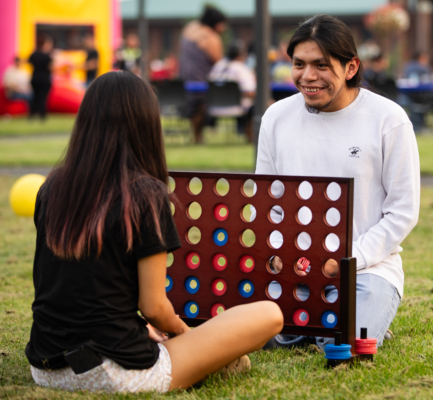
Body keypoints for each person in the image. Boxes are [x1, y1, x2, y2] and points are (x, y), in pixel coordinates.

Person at [25, 71, 283, 393]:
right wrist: (187, 335)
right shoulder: (145, 194)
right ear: (146, 124)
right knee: (270, 314)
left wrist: (137, 325)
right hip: (114, 373)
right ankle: (212, 359)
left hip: (46, 366)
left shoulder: (53, 187)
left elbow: (61, 288)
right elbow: (154, 306)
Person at [256, 15, 420, 348]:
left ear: (350, 67)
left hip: (365, 272)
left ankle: (328, 325)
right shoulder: (276, 117)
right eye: (299, 64)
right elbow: (268, 204)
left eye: (321, 65)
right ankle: (316, 324)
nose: (307, 76)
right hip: (293, 272)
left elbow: (403, 211)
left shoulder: (389, 119)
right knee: (240, 331)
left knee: (341, 345)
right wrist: (275, 252)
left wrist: (347, 259)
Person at [179, 5, 227, 144]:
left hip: (184, 78)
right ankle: (198, 137)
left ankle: (196, 136)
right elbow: (218, 61)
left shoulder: (189, 29)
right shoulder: (210, 37)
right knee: (200, 108)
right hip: (201, 81)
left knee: (193, 107)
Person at [208, 41, 256, 142]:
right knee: (263, 103)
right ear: (241, 54)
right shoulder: (241, 68)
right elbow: (250, 92)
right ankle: (251, 138)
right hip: (237, 108)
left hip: (214, 108)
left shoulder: (218, 65)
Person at [28, 35, 53, 120]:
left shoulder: (34, 54)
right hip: (44, 79)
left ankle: (32, 113)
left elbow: (29, 62)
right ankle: (42, 114)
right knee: (43, 97)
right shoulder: (47, 56)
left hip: (35, 78)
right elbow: (51, 67)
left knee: (35, 96)